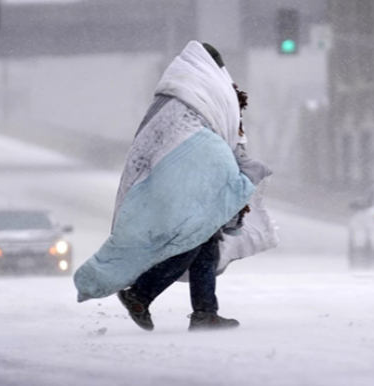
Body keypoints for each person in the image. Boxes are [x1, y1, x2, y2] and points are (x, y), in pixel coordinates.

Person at [74, 41, 276, 332]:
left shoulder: (176, 96)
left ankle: (205, 312)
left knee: (205, 241)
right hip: (184, 178)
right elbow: (213, 136)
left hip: (172, 177)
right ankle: (141, 294)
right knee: (192, 238)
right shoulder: (202, 93)